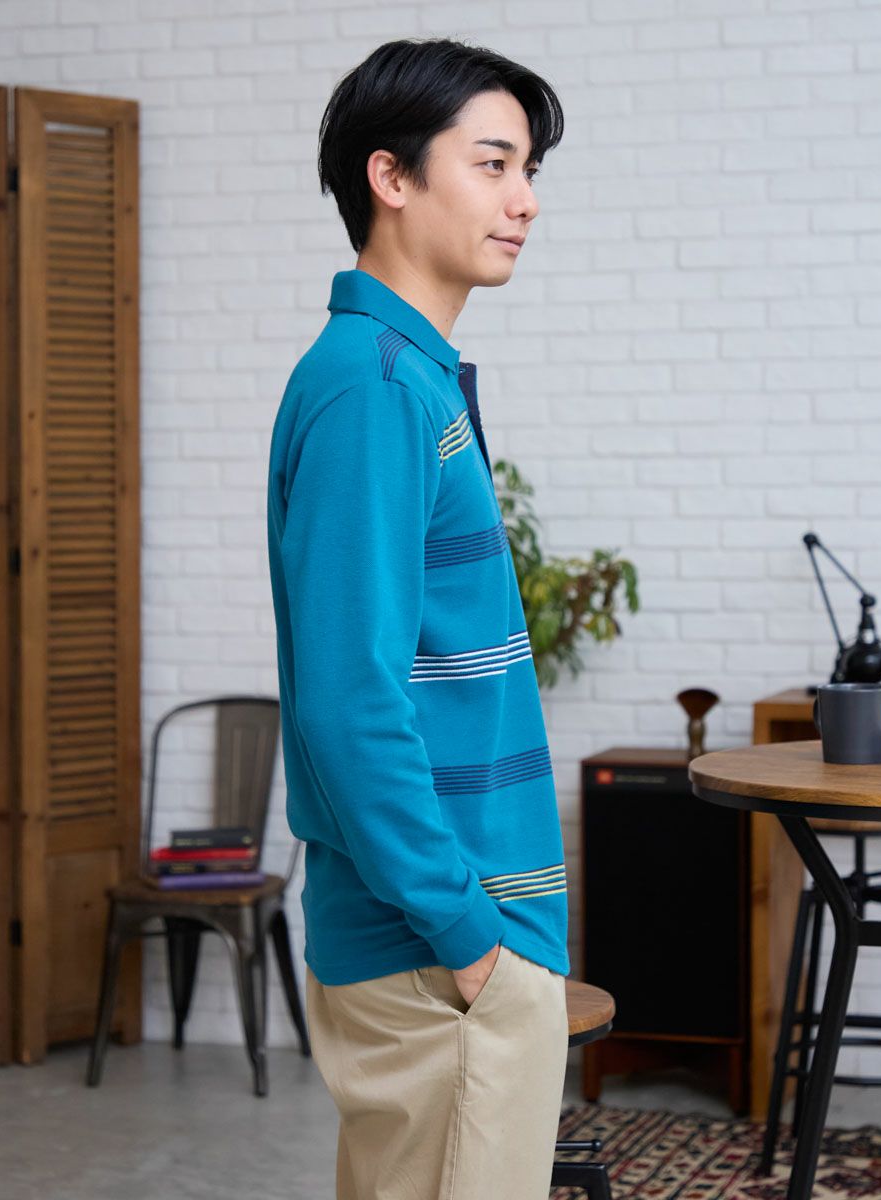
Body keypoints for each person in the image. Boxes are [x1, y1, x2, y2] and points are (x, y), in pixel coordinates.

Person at [266, 36, 570, 1200]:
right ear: (389, 178)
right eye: (493, 164)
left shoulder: (403, 373)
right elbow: (351, 703)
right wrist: (469, 939)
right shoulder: (376, 386)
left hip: (445, 950)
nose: (524, 200)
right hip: (440, 956)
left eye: (527, 170)